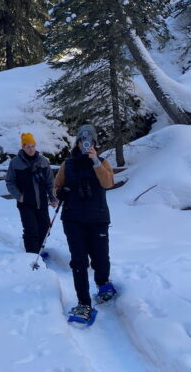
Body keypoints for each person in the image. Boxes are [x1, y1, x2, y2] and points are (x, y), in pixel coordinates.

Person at [53, 124, 116, 323]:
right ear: (77, 143)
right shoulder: (67, 165)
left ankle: (103, 283)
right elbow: (56, 187)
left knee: (100, 257)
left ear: (95, 144)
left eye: (89, 141)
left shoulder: (103, 163)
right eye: (82, 141)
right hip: (73, 220)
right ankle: (84, 303)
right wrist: (59, 193)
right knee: (79, 261)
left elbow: (108, 183)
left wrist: (95, 161)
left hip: (98, 219)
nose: (85, 145)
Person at [5, 132, 56, 255]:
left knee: (44, 229)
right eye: (28, 146)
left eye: (33, 145)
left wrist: (52, 197)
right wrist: (19, 196)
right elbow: (10, 182)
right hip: (26, 203)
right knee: (31, 230)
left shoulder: (43, 161)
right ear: (23, 147)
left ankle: (38, 252)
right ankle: (32, 256)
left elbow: (50, 181)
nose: (31, 149)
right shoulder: (15, 163)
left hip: (42, 203)